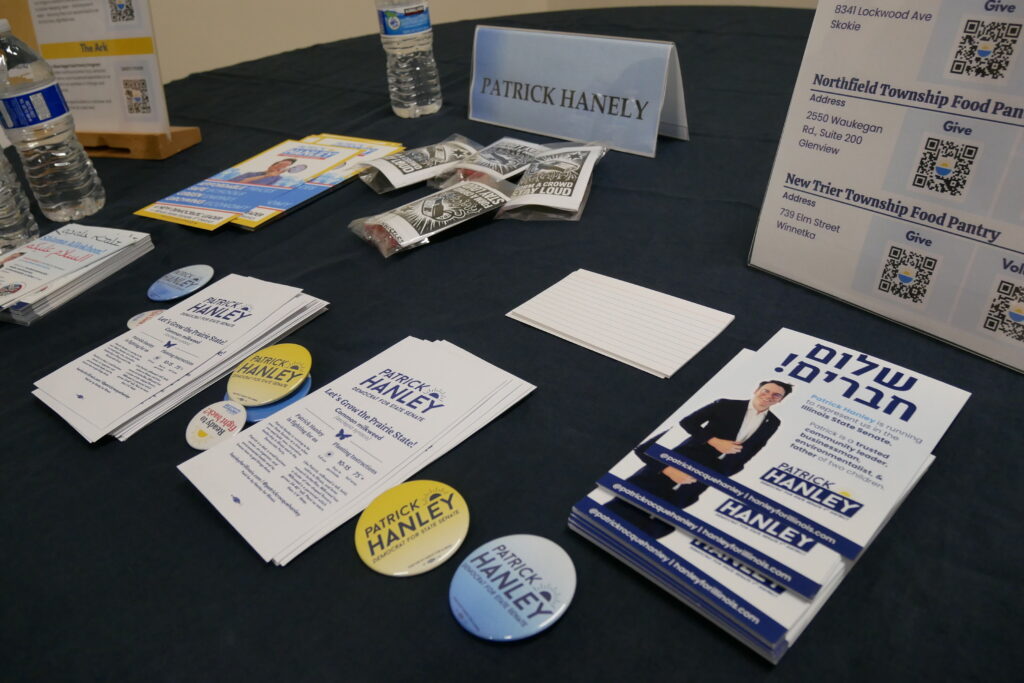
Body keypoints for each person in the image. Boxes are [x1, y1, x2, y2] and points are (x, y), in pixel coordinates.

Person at [607, 380, 792, 538]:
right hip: (675, 463)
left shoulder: (773, 422)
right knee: (622, 511)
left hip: (705, 478)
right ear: (756, 390)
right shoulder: (726, 405)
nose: (769, 396)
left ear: (781, 400)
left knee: (660, 524)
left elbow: (754, 449)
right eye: (766, 390)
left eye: (776, 395)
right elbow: (687, 423)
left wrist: (723, 473)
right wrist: (713, 441)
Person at [232, 158, 297, 186]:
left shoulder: (278, 179)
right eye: (280, 164)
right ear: (271, 165)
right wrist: (266, 176)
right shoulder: (250, 174)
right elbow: (236, 183)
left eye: (284, 166)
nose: (279, 167)